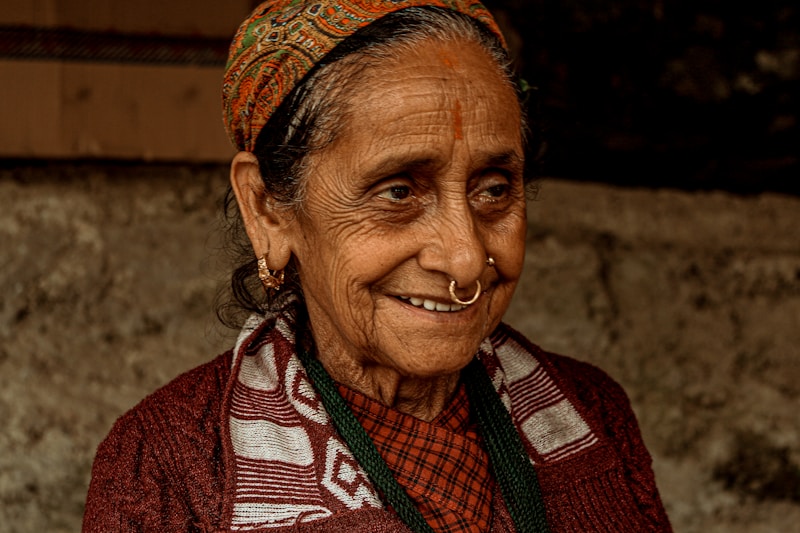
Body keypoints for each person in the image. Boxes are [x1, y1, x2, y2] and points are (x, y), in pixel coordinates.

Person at [84, 1, 672, 531]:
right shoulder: (168, 467)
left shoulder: (593, 414)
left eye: (493, 189)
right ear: (267, 210)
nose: (465, 259)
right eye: (397, 193)